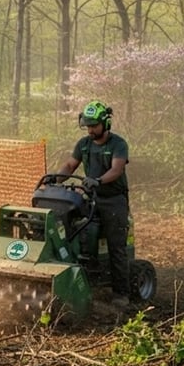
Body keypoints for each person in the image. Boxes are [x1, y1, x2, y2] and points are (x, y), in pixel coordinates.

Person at [54, 100, 132, 309]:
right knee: (78, 233)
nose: (90, 130)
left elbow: (117, 170)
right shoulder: (84, 144)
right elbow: (70, 165)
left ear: (105, 124)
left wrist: (98, 180)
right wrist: (55, 180)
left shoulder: (118, 144)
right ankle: (87, 280)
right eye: (87, 126)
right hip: (91, 198)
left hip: (113, 201)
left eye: (94, 126)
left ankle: (121, 293)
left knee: (117, 247)